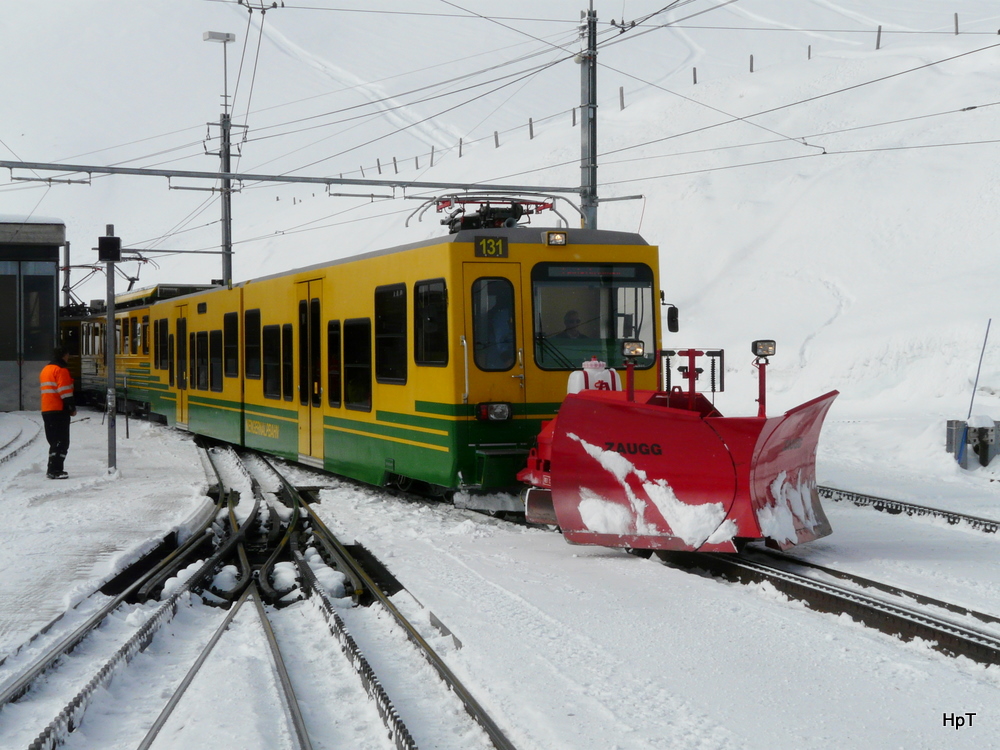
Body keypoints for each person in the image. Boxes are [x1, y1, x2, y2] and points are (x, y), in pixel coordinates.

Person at [40, 346, 77, 479]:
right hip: (58, 410)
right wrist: (71, 408)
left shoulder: (46, 370)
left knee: (54, 441)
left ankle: (53, 468)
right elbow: (65, 391)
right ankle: (55, 470)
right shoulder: (61, 370)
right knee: (61, 441)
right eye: (68, 355)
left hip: (47, 410)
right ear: (64, 355)